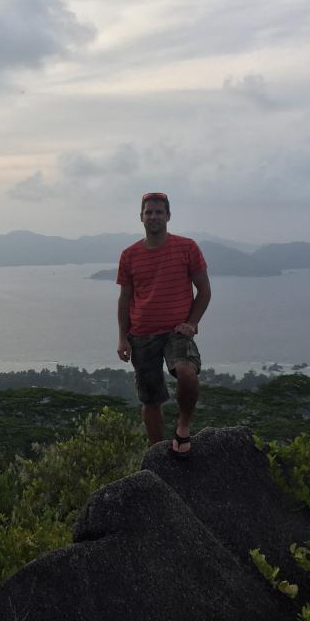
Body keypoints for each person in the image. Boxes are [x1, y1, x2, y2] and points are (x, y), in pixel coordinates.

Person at [116, 192, 211, 457]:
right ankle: (158, 454)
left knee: (187, 373)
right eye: (149, 212)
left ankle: (182, 427)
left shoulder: (187, 247)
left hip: (176, 330)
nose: (154, 217)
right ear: (141, 217)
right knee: (151, 398)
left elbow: (204, 290)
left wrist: (192, 322)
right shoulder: (129, 255)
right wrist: (123, 338)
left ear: (168, 216)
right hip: (141, 334)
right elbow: (125, 299)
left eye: (159, 212)